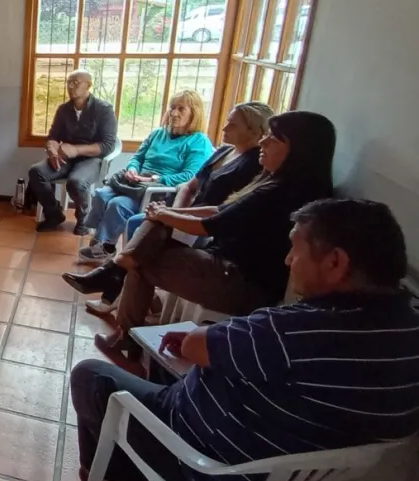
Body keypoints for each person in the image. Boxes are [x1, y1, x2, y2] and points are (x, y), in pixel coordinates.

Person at [69, 198, 419, 481]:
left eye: (295, 250)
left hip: (210, 467)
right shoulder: (407, 331)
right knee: (165, 371)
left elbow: (193, 346)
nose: (287, 260)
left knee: (91, 376)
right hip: (288, 472)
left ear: (335, 262)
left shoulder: (293, 330)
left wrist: (203, 341)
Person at [80, 111, 336, 353]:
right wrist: (169, 214)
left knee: (140, 261)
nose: (264, 142)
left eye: (273, 139)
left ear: (298, 151)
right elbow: (219, 209)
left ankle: (120, 296)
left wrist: (166, 215)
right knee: (149, 237)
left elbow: (210, 225)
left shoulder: (281, 191)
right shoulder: (274, 179)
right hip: (225, 264)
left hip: (240, 283)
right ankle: (118, 276)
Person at [69, 101, 274, 314]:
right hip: (182, 210)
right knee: (135, 226)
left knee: (139, 238)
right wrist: (175, 211)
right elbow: (189, 185)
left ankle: (113, 274)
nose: (224, 128)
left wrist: (174, 215)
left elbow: (222, 211)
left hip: (204, 227)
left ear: (253, 130)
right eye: (171, 108)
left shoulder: (254, 164)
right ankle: (122, 280)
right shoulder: (223, 152)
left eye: (232, 125)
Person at [77, 90, 213, 263]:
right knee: (101, 195)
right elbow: (138, 158)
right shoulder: (158, 133)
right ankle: (100, 237)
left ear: (194, 113)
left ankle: (106, 247)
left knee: (118, 204)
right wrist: (133, 170)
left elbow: (189, 176)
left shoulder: (199, 142)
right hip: (136, 183)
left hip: (160, 191)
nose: (174, 113)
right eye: (172, 108)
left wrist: (153, 179)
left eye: (181, 109)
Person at [28, 70, 116, 234]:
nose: (70, 86)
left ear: (88, 85)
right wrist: (52, 150)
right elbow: (53, 136)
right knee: (36, 172)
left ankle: (84, 219)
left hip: (91, 159)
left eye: (76, 83)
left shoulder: (104, 110)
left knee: (76, 181)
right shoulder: (63, 110)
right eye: (69, 82)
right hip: (65, 158)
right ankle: (54, 214)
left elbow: (107, 145)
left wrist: (76, 150)